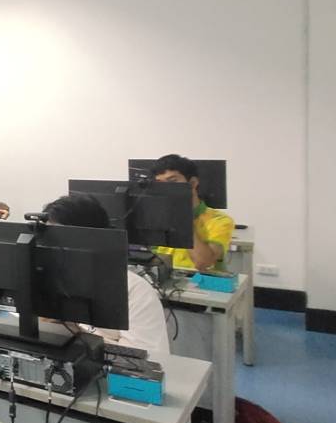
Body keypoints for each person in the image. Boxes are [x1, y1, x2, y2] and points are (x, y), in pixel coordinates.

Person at [42, 193, 171, 359]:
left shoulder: (133, 290)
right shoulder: (47, 280)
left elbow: (144, 359)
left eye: (60, 239)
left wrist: (77, 335)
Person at [150, 154, 234, 272]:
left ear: (193, 183)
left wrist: (182, 218)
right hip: (164, 278)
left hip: (200, 280)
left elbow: (203, 263)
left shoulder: (220, 221)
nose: (165, 189)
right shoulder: (157, 217)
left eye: (172, 181)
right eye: (159, 183)